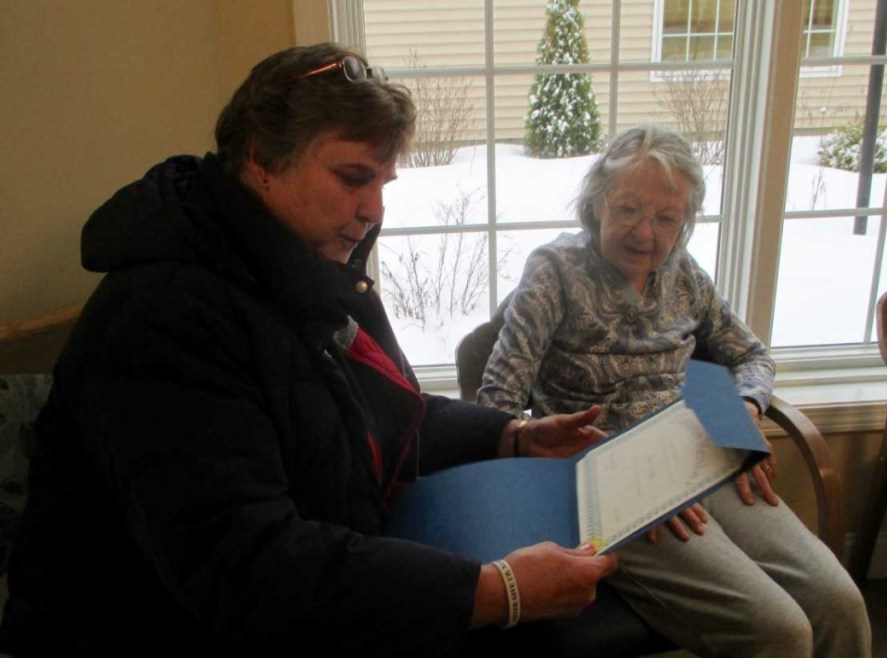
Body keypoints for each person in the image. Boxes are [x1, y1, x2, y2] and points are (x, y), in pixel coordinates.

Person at [0, 43, 618, 658]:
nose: (373, 211)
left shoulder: (304, 263)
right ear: (263, 158)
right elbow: (244, 569)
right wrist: (496, 591)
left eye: (382, 182)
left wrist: (512, 435)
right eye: (353, 178)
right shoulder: (161, 317)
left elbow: (389, 410)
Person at [478, 125, 871, 657]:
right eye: (629, 209)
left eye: (667, 218)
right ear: (597, 204)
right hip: (606, 476)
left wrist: (741, 415)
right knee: (781, 631)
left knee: (841, 602)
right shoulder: (554, 273)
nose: (647, 233)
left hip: (700, 446)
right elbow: (498, 402)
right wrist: (612, 480)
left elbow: (749, 355)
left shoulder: (683, 274)